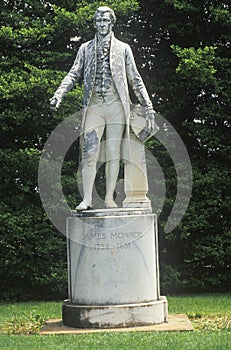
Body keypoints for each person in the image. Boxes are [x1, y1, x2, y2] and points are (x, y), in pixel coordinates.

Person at [50, 6, 156, 210]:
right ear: (94, 23)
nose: (101, 25)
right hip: (95, 106)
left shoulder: (123, 49)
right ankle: (87, 199)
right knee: (89, 151)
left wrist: (148, 107)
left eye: (105, 21)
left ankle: (109, 198)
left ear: (111, 22)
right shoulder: (85, 48)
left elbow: (135, 79)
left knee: (113, 153)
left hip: (116, 105)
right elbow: (74, 73)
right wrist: (59, 93)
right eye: (98, 21)